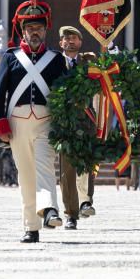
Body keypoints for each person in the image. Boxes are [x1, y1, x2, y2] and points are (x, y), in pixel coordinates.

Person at [0, 0, 67, 243]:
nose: (34, 32)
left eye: (38, 28)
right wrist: (0, 123)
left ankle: (49, 210)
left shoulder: (56, 59)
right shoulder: (11, 58)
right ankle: (31, 227)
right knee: (25, 175)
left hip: (47, 120)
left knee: (45, 165)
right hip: (17, 123)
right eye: (30, 28)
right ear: (22, 31)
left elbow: (64, 92)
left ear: (45, 31)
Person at [55, 25, 95, 228]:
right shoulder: (53, 63)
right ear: (60, 43)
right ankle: (71, 213)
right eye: (66, 38)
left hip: (86, 120)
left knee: (88, 164)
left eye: (74, 38)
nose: (70, 41)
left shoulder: (88, 61)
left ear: (80, 42)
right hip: (64, 122)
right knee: (67, 170)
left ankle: (86, 201)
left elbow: (108, 72)